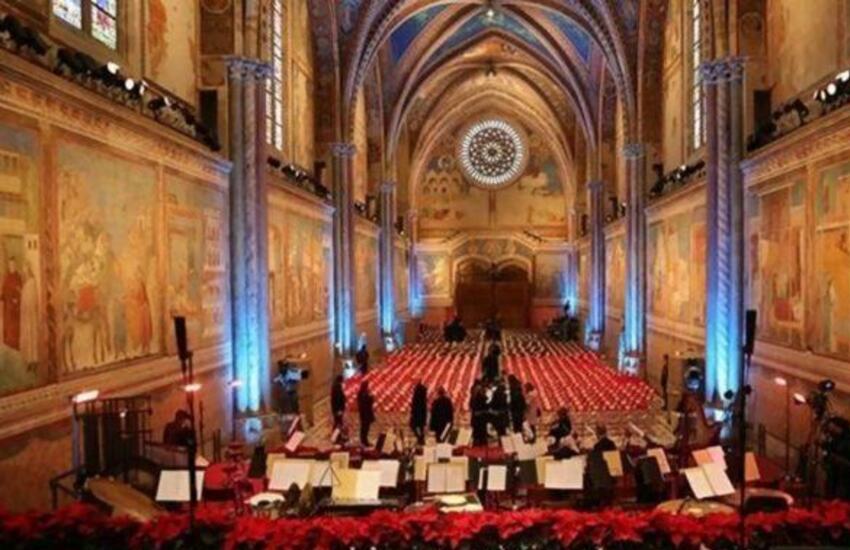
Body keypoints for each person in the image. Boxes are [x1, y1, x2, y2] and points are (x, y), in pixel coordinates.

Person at [470, 381, 489, 446]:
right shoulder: (480, 398)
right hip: (480, 421)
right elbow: (485, 407)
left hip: (477, 420)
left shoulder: (473, 398)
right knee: (481, 438)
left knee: (477, 438)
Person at [357, 381, 375, 447]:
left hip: (364, 414)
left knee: (365, 428)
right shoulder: (364, 394)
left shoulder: (361, 393)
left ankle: (364, 440)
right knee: (365, 428)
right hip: (365, 414)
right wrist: (371, 397)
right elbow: (367, 403)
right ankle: (364, 441)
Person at [410, 380, 428, 445]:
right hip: (422, 415)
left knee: (413, 426)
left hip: (416, 414)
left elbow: (413, 405)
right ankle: (421, 439)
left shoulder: (416, 395)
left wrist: (412, 412)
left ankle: (420, 438)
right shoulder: (423, 396)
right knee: (421, 428)